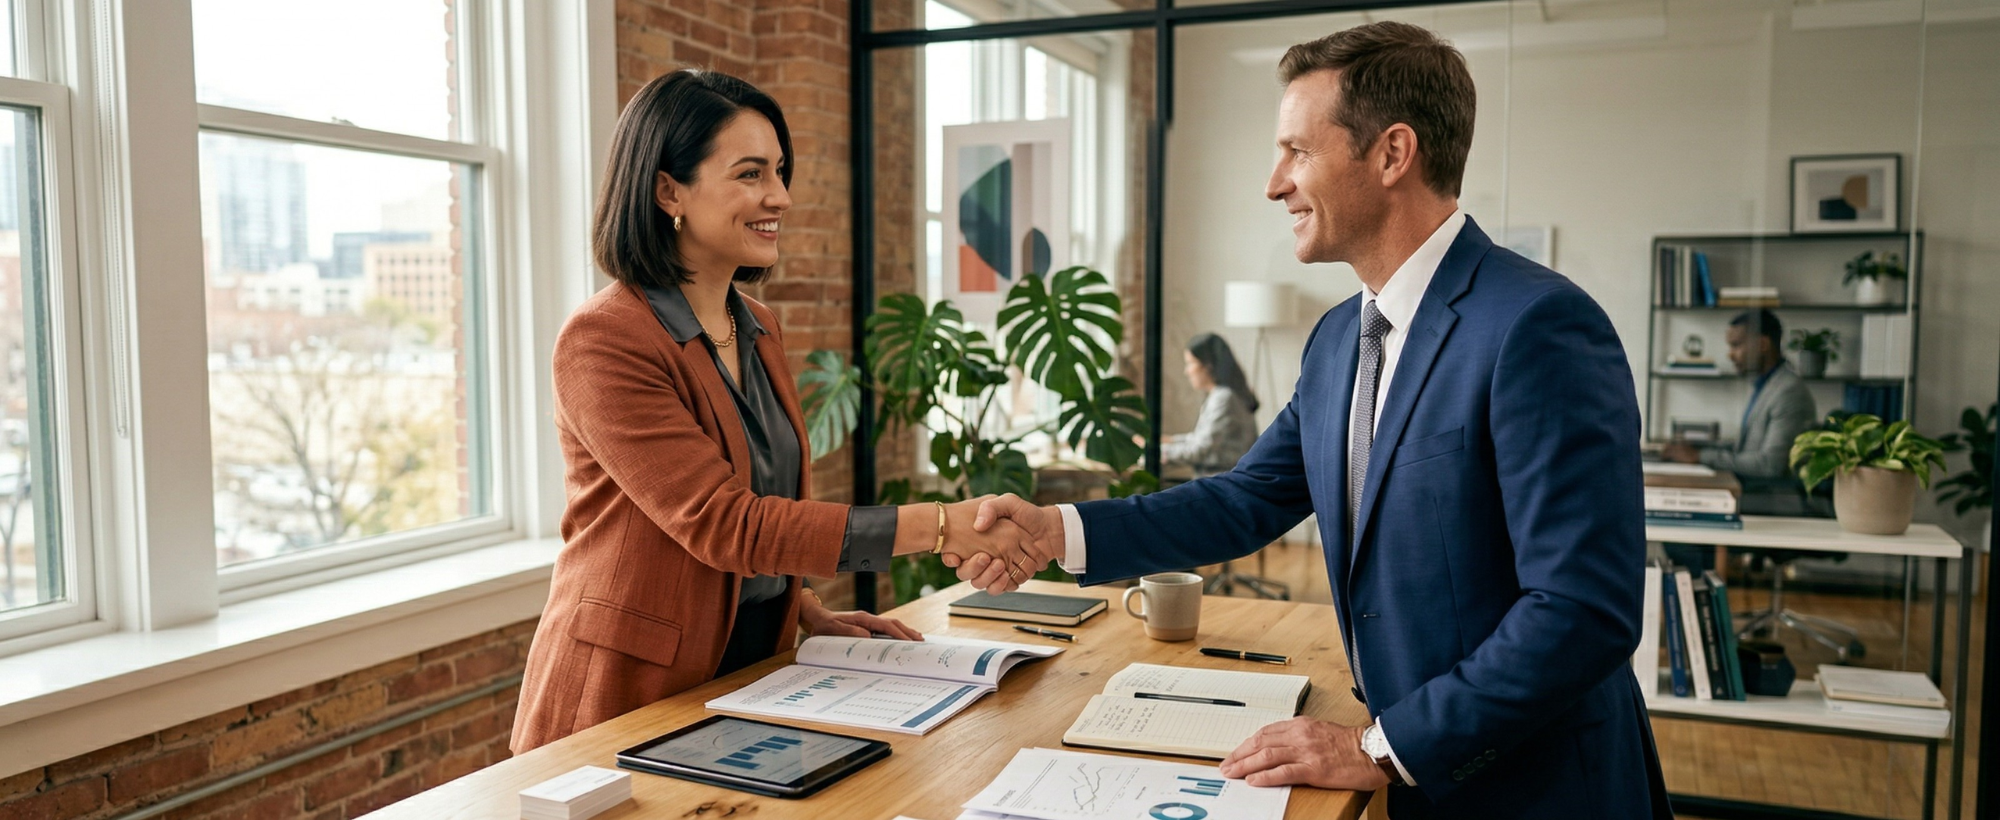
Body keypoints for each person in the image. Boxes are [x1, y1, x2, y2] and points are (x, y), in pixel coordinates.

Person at [954, 23, 1669, 818]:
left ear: (1392, 154)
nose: (1274, 184)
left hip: (1541, 790)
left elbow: (1582, 610)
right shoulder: (1338, 339)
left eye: (1297, 151)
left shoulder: (1537, 326)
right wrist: (1058, 531)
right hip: (1421, 783)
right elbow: (1245, 499)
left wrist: (1379, 749)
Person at [512, 69, 1047, 753]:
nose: (781, 197)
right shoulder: (605, 338)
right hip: (626, 693)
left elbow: (763, 500)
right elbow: (723, 522)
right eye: (751, 174)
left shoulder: (757, 325)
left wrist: (805, 611)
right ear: (669, 190)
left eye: (780, 171)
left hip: (751, 675)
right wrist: (941, 525)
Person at [1663, 309, 1817, 490]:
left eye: (1736, 346)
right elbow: (1745, 449)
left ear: (1763, 344)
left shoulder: (1789, 391)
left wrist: (1700, 456)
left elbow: (1770, 465)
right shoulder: (1766, 386)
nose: (1730, 355)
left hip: (1770, 497)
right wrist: (1696, 448)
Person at [1161, 333, 1260, 474]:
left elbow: (1199, 450)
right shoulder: (1224, 394)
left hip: (1221, 480)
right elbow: (1202, 439)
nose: (1186, 372)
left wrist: (1157, 451)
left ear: (1208, 365)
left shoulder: (1224, 398)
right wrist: (1171, 441)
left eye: (1190, 363)